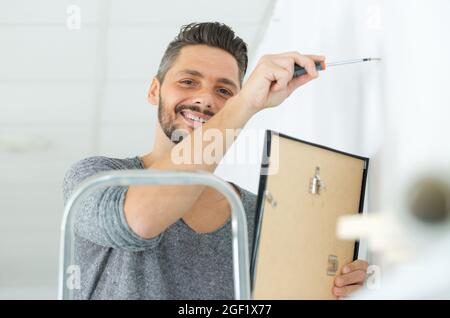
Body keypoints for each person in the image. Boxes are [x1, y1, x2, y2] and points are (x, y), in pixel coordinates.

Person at [63, 22, 368, 299]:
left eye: (224, 90)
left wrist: (335, 291)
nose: (206, 99)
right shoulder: (96, 179)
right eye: (188, 82)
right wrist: (244, 104)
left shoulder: (259, 216)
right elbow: (141, 220)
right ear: (154, 90)